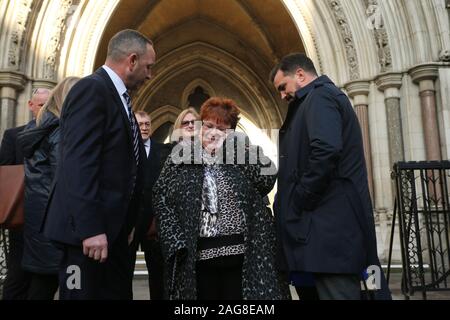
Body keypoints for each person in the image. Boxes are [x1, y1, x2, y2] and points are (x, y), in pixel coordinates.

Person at [43, 29, 155, 300]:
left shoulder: (119, 98)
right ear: (131, 60)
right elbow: (79, 164)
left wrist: (128, 227)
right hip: (85, 241)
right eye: (148, 67)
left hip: (112, 237)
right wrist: (90, 229)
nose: (150, 75)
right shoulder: (92, 89)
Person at [270, 53, 391, 300]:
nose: (282, 95)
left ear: (300, 75)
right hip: (315, 237)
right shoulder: (309, 102)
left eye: (283, 87)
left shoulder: (321, 96)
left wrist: (301, 198)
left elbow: (326, 151)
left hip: (329, 236)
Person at [153, 97, 289, 300]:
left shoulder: (242, 154)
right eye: (208, 125)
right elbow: (160, 196)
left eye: (222, 129)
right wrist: (175, 241)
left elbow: (267, 178)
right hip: (197, 256)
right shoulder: (181, 156)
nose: (213, 132)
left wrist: (235, 149)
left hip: (241, 255)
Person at [16, 77, 80, 300]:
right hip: (59, 224)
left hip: (39, 223)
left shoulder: (40, 128)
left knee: (42, 284)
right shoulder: (60, 132)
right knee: (72, 286)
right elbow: (65, 179)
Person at [0, 88, 50, 300]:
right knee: (17, 277)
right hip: (22, 219)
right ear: (30, 105)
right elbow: (5, 175)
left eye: (49, 106)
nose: (45, 111)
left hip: (48, 220)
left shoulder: (60, 135)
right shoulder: (13, 136)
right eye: (40, 106)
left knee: (43, 281)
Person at [130, 111, 170, 299]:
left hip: (155, 221)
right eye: (140, 124)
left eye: (147, 124)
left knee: (157, 274)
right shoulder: (123, 149)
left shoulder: (162, 150)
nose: (144, 127)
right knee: (123, 272)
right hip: (130, 221)